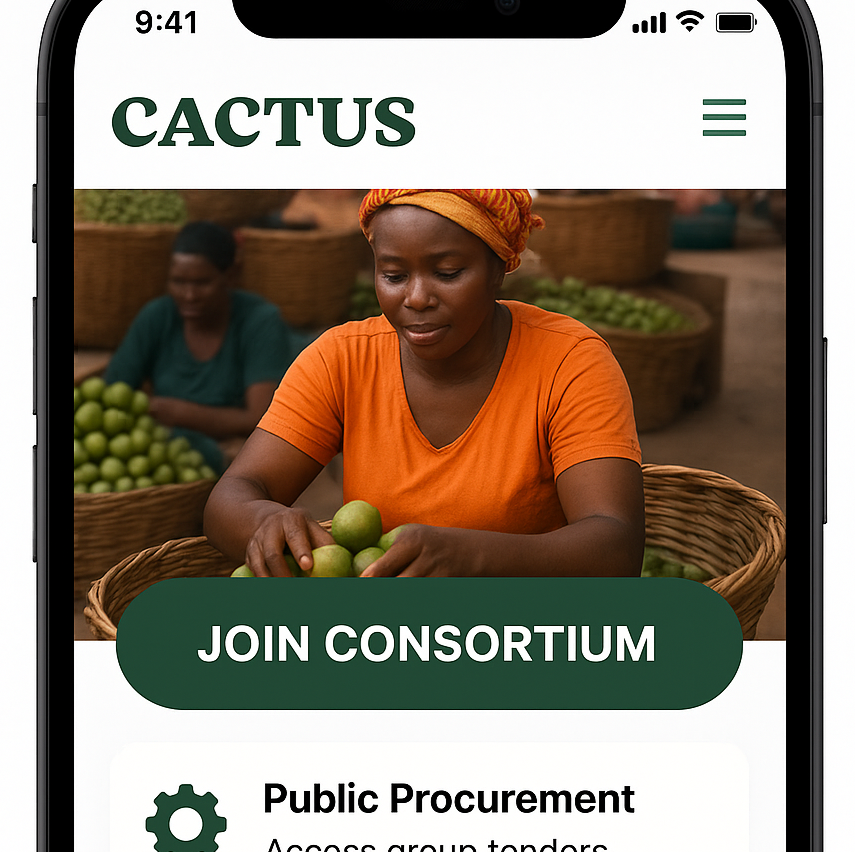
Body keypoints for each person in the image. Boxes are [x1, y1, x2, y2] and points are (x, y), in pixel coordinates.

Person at [203, 189, 644, 574]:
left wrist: (471, 558)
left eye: (448, 273)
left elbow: (615, 547)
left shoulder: (570, 362)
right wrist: (264, 522)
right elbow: (231, 497)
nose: (415, 298)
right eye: (393, 276)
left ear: (499, 267)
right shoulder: (341, 359)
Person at [104, 220, 303, 472]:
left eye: (202, 283)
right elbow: (112, 393)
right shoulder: (158, 316)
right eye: (178, 281)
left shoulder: (259, 322)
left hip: (234, 459)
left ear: (230, 275)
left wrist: (177, 413)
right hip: (161, 455)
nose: (189, 295)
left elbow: (261, 418)